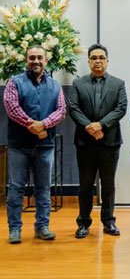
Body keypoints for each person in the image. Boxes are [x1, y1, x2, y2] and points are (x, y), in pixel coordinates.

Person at [3, 45, 66, 244]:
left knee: (44, 188)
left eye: (40, 57)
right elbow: (12, 108)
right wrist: (32, 126)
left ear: (46, 61)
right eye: (32, 58)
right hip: (19, 146)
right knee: (15, 188)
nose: (36, 61)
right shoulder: (14, 82)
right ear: (26, 60)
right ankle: (15, 229)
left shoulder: (55, 86)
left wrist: (44, 124)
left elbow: (61, 111)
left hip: (45, 146)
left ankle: (42, 227)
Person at [68, 43, 127, 238]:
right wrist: (89, 127)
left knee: (108, 184)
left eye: (101, 58)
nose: (98, 61)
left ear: (107, 61)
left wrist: (100, 125)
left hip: (109, 142)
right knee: (85, 185)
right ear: (89, 61)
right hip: (85, 143)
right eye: (94, 58)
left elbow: (121, 108)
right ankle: (83, 223)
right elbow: (74, 108)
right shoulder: (78, 83)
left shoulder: (118, 83)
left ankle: (109, 222)